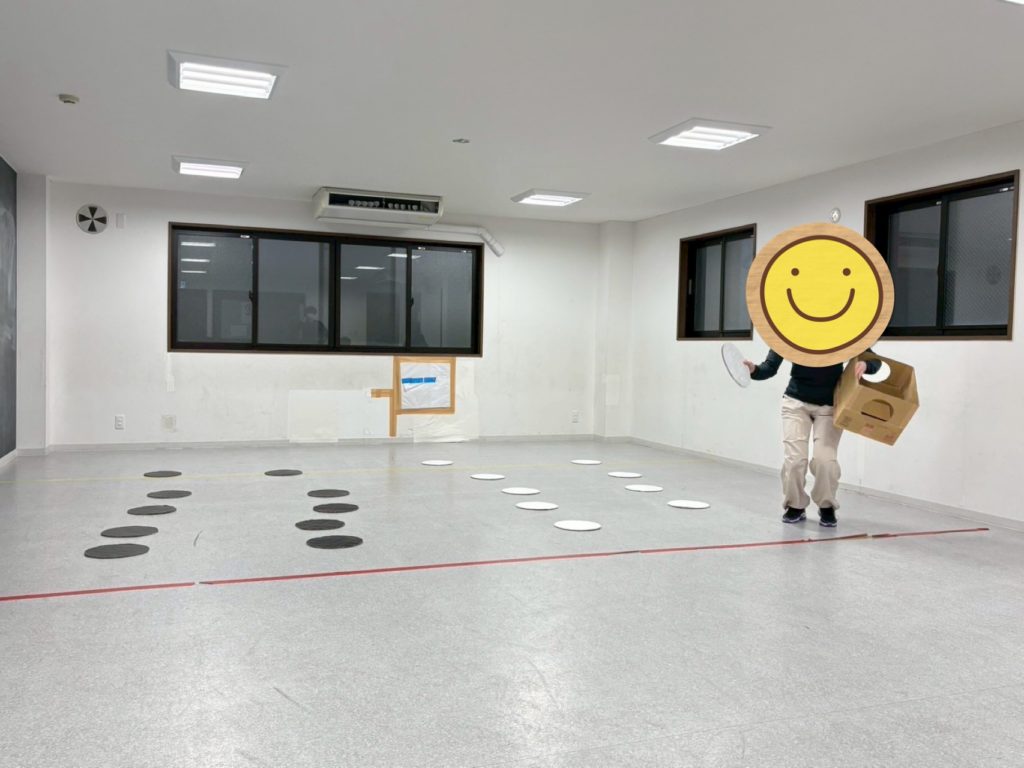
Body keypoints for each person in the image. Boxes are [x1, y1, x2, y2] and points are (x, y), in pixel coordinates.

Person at [743, 351, 880, 527]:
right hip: (795, 404)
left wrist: (867, 365)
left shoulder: (841, 335)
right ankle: (795, 505)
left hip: (830, 406)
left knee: (825, 461)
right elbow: (769, 368)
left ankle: (826, 505)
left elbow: (875, 361)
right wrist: (753, 370)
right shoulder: (791, 336)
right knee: (795, 460)